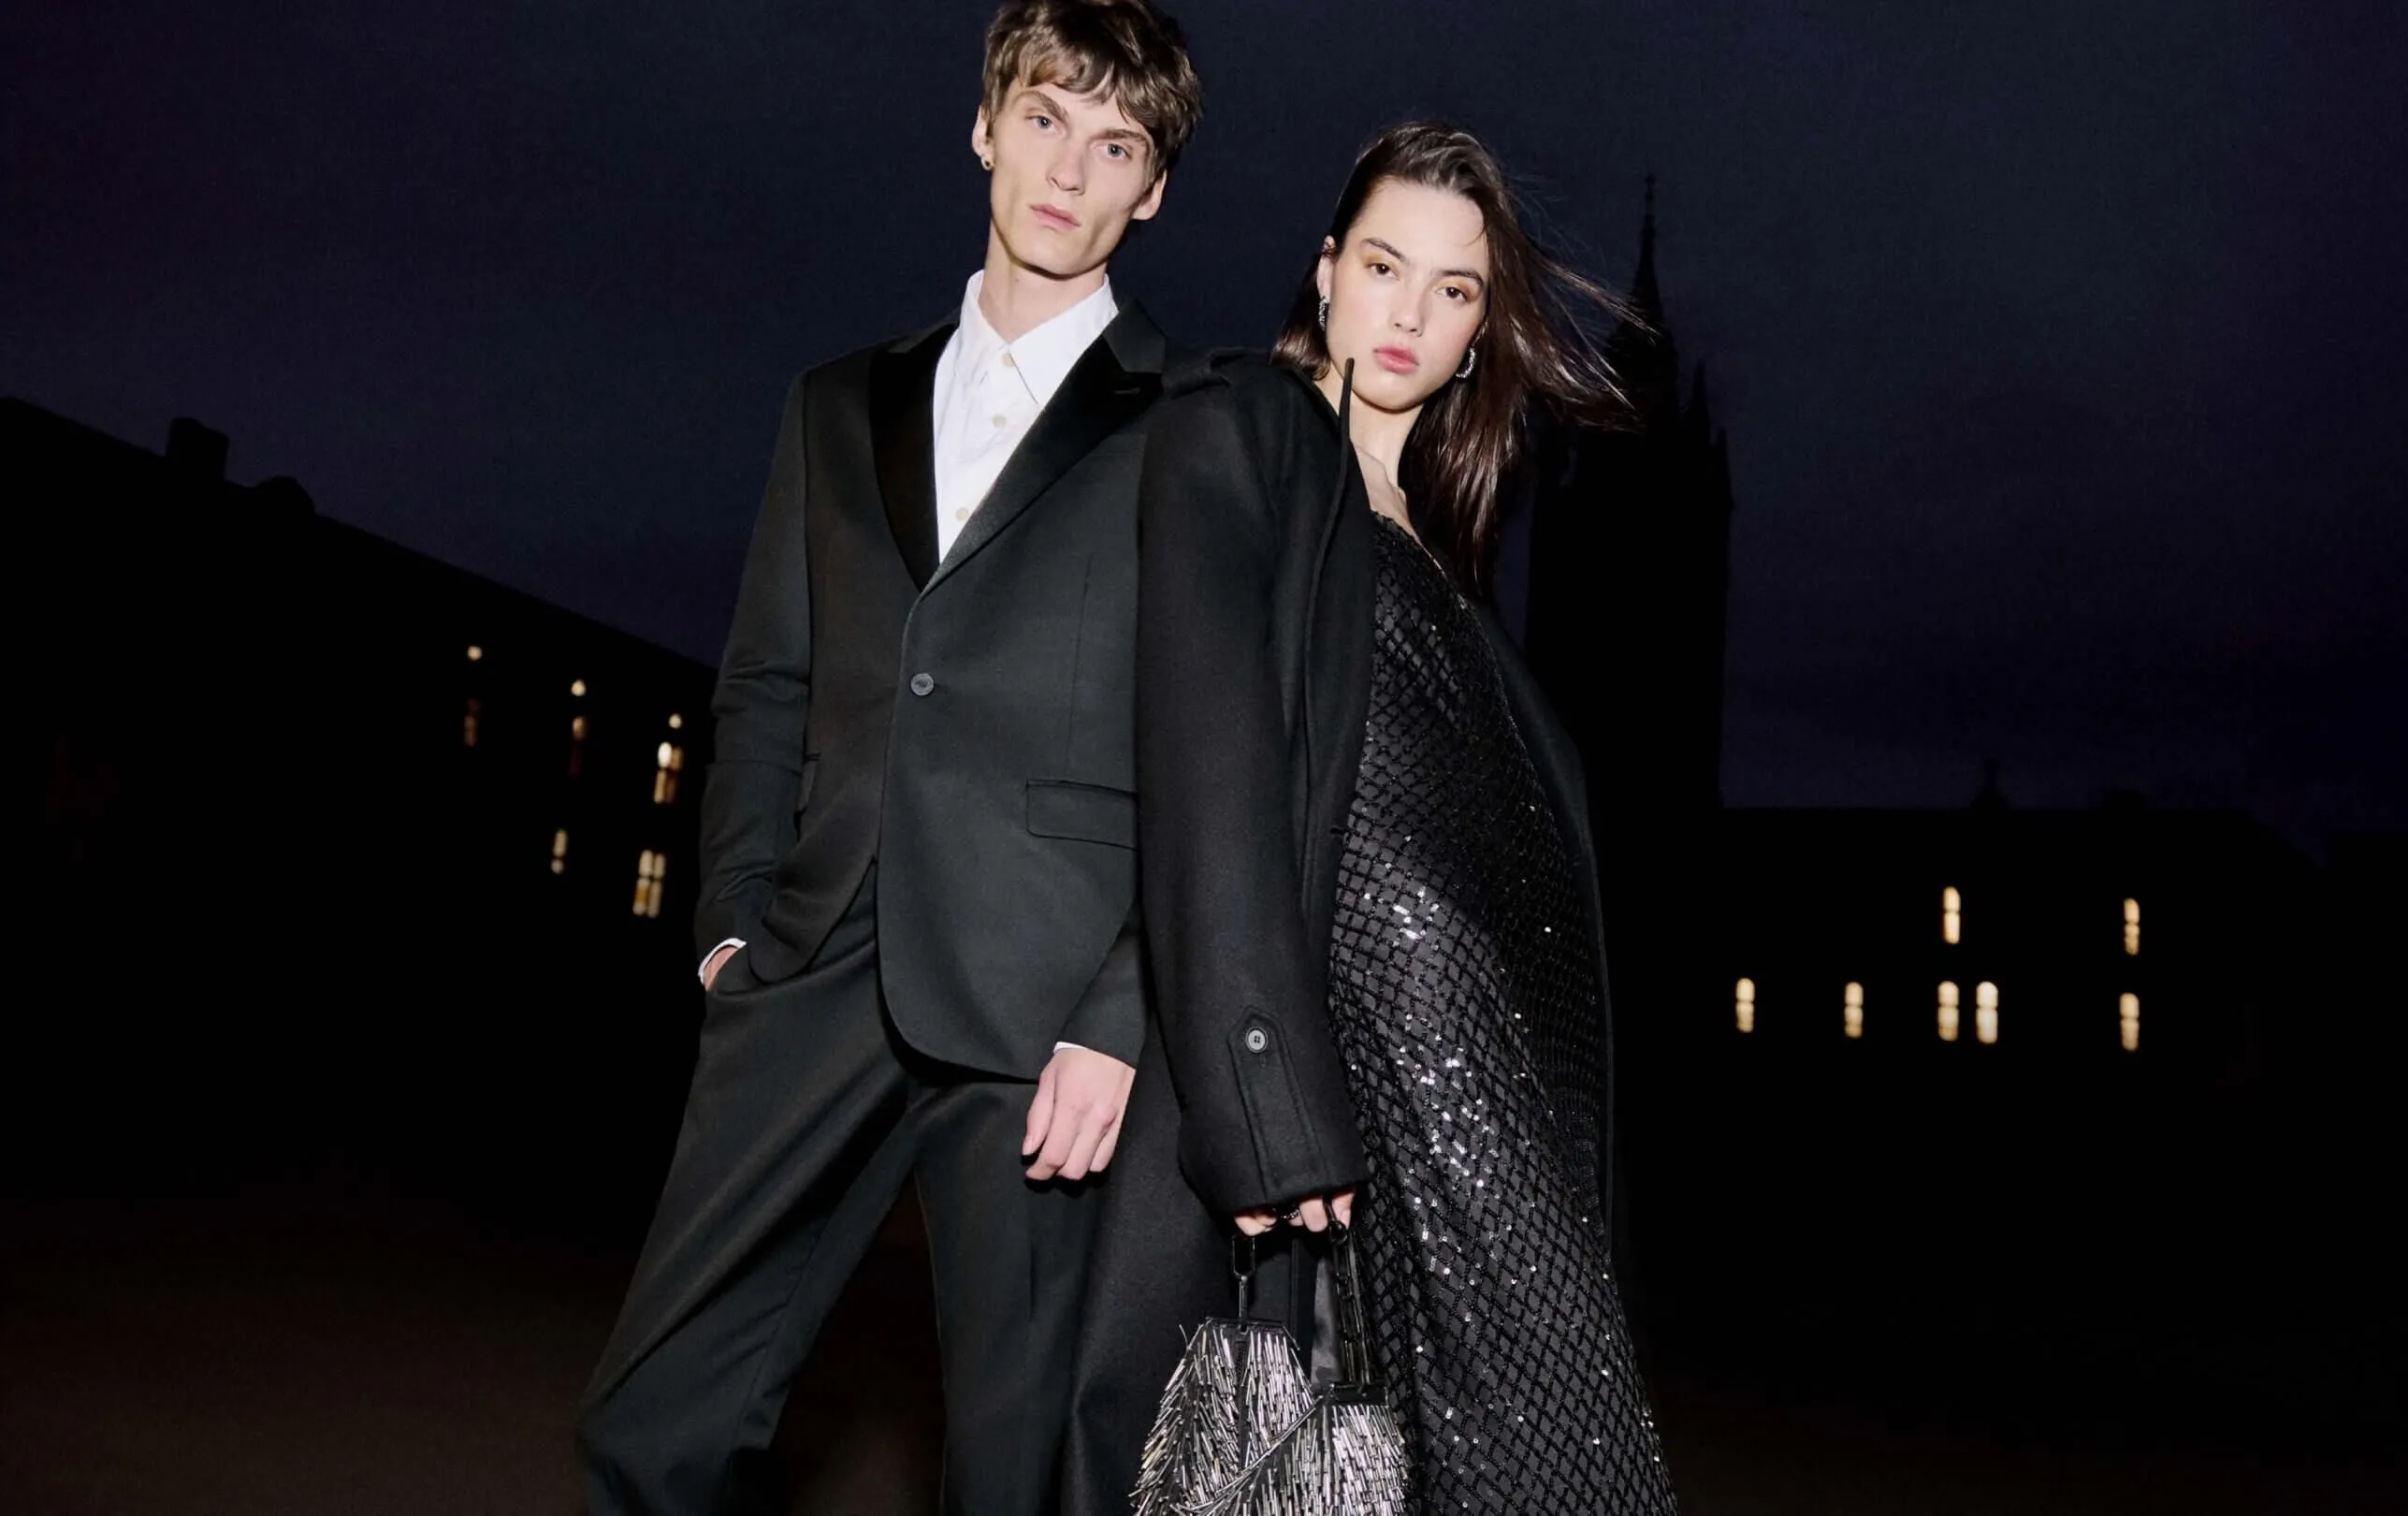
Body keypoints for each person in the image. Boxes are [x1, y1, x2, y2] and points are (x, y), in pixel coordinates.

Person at [574, 4, 1200, 1511]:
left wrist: (1124, 1009)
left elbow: (1207, 751)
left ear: (1154, 191)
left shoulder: (1194, 431)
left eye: (1116, 145)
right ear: (984, 126)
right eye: (1045, 119)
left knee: (1023, 1471)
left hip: (1047, 1018)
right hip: (813, 965)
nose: (1069, 170)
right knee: (653, 1419)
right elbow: (769, 685)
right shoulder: (834, 403)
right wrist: (731, 925)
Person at [1066, 122, 1677, 1515]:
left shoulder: (1447, 557)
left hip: (1507, 1109)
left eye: (1454, 290)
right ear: (1326, 273)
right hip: (1366, 1105)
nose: (1409, 312)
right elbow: (1206, 766)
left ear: (1478, 336)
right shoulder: (1244, 434)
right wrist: (1263, 1097)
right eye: (1385, 265)